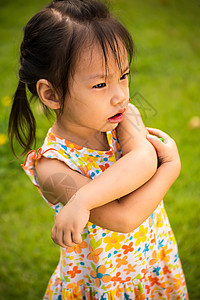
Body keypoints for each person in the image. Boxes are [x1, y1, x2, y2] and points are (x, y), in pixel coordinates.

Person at [8, 0, 188, 299]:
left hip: (152, 264)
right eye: (100, 85)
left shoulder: (123, 117)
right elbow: (124, 219)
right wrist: (170, 167)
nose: (120, 95)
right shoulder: (53, 167)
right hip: (105, 286)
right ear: (51, 94)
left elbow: (142, 159)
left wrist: (84, 200)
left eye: (123, 76)